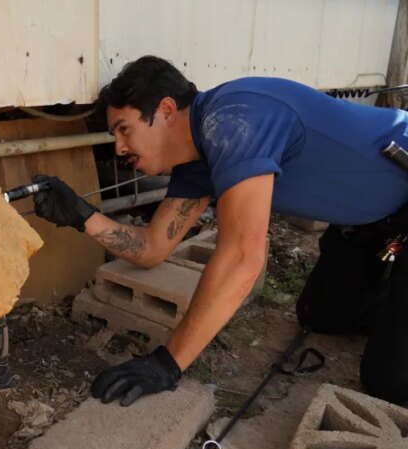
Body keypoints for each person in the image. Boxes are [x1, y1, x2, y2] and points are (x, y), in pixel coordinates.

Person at [32, 56, 408, 407]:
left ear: (165, 110)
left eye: (124, 129)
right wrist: (81, 215)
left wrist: (169, 362)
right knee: (322, 316)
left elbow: (243, 257)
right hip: (372, 222)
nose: (119, 147)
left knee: (389, 380)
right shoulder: (197, 161)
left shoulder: (234, 119)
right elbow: (151, 249)